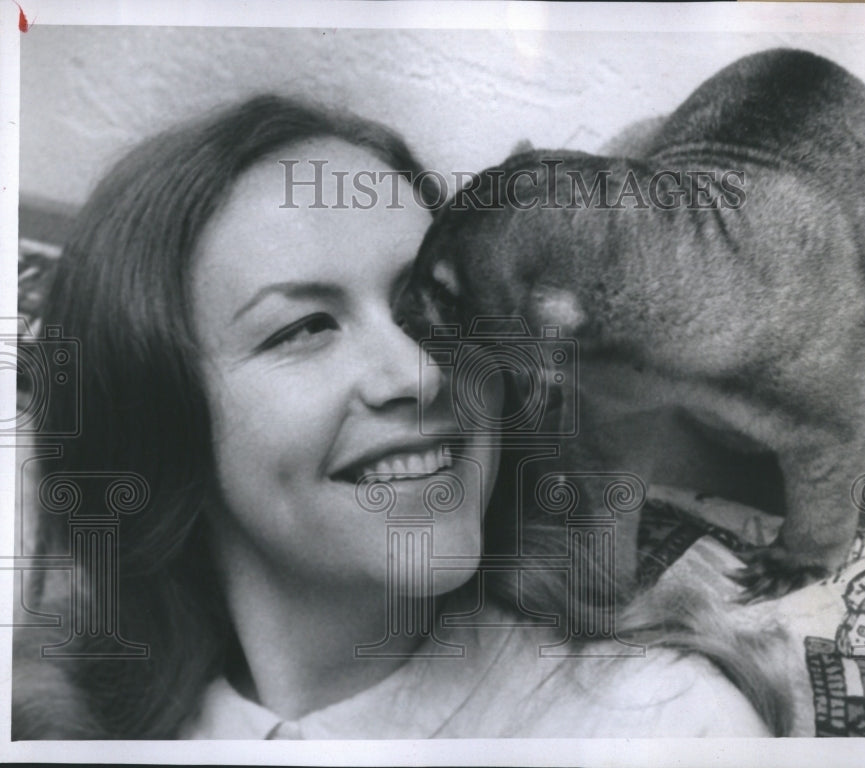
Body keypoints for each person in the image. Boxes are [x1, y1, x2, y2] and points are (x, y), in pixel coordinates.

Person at [13, 95, 792, 739]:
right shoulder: (72, 731)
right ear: (160, 418)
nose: (421, 372)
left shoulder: (662, 730)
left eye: (433, 301)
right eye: (305, 328)